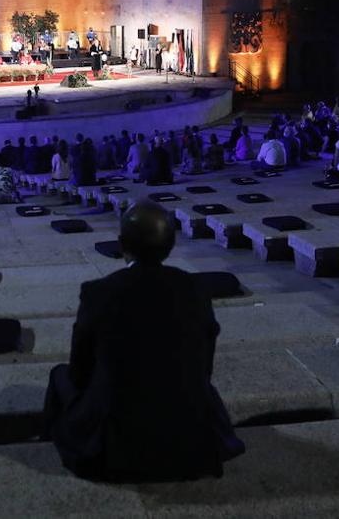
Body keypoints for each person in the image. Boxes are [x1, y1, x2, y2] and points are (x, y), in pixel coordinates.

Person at [43, 202, 244, 481]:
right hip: (188, 442)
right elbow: (205, 369)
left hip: (115, 449)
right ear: (171, 244)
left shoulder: (98, 292)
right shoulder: (195, 289)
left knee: (59, 376)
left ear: (121, 243)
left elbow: (80, 372)